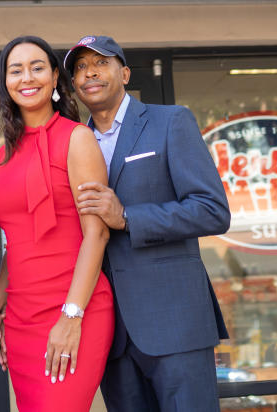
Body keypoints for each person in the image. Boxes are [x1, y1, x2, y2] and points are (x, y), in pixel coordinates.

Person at [65, 35, 231, 412]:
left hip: (175, 322)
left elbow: (212, 210)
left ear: (124, 73)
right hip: (111, 334)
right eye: (79, 67)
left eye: (100, 62)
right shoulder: (75, 142)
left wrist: (126, 217)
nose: (89, 71)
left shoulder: (170, 121)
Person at [0, 36, 114, 412]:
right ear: (5, 83)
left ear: (55, 77)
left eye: (37, 67)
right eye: (16, 69)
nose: (27, 77)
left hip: (75, 308)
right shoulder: (3, 153)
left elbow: (98, 232)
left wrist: (71, 316)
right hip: (21, 316)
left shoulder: (78, 139)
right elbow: (17, 239)